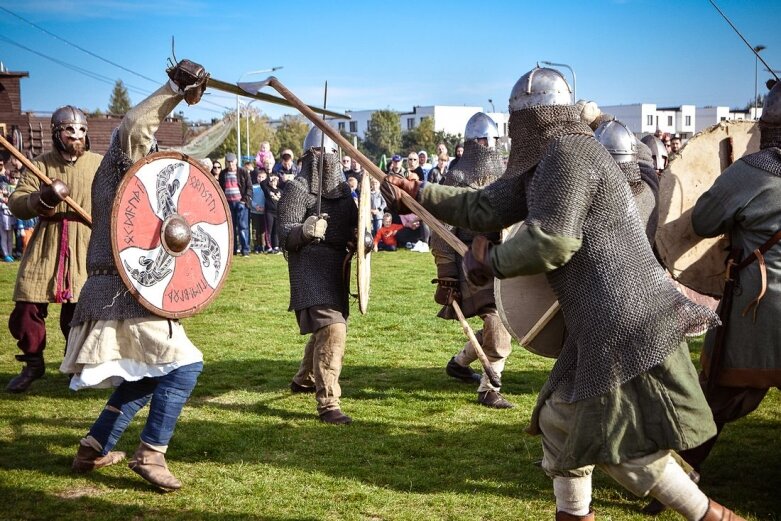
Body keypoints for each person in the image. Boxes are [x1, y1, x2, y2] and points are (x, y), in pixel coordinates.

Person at [383, 66, 743, 520]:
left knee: (620, 447)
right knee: (558, 421)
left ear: (531, 120)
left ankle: (711, 516)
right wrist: (419, 191)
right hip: (596, 320)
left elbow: (553, 241)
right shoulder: (545, 162)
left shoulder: (570, 156)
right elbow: (485, 205)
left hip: (624, 318)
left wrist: (490, 264)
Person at [59, 58, 209, 490]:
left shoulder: (128, 174)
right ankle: (151, 452)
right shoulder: (121, 164)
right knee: (184, 367)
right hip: (123, 290)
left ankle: (94, 445)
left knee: (147, 373)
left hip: (123, 288)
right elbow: (135, 125)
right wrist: (174, 89)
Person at [681, 80, 781, 482]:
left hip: (757, 312)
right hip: (760, 304)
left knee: (721, 397)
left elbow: (703, 221)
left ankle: (682, 474)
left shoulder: (752, 172)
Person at [5, 105, 102, 393]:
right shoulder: (40, 164)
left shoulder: (97, 164)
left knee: (78, 313)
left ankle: (76, 367)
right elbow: (16, 202)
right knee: (27, 307)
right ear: (56, 133)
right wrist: (41, 197)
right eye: (69, 130)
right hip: (48, 241)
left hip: (85, 239)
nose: (76, 135)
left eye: (81, 129)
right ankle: (33, 363)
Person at [432, 112, 514, 408]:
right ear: (473, 143)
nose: (488, 145)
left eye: (491, 140)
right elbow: (440, 231)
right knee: (497, 323)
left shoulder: (505, 177)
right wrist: (447, 274)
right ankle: (488, 388)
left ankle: (459, 362)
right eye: (484, 140)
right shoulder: (456, 177)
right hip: (469, 260)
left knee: (503, 321)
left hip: (500, 257)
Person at [279, 127, 357, 425]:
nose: (328, 158)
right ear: (310, 155)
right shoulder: (296, 189)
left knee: (326, 328)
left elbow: (354, 226)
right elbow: (284, 235)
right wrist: (305, 230)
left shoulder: (343, 193)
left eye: (332, 153)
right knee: (333, 329)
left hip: (336, 270)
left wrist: (361, 239)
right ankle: (328, 403)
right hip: (309, 267)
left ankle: (304, 378)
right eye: (322, 152)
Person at [219, 152, 252, 256]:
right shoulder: (223, 173)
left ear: (236, 161)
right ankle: (232, 250)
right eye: (228, 162)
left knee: (243, 227)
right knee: (231, 228)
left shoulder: (243, 172)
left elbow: (249, 188)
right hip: (228, 203)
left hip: (240, 202)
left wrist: (244, 200)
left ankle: (245, 250)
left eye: (232, 162)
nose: (230, 164)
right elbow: (220, 188)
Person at [263, 172, 282, 253]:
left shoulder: (280, 190)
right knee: (269, 230)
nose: (273, 182)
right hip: (269, 212)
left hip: (277, 213)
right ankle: (268, 247)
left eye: (275, 181)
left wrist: (278, 177)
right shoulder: (267, 189)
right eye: (272, 181)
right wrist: (269, 178)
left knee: (276, 230)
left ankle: (276, 246)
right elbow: (262, 183)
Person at [250, 167, 267, 254]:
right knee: (255, 230)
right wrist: (255, 206)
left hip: (264, 212)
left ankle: (262, 245)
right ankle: (256, 246)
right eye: (259, 177)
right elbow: (250, 198)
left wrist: (264, 207)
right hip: (255, 212)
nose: (261, 179)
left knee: (263, 230)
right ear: (257, 178)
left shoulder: (267, 188)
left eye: (263, 177)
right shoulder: (253, 187)